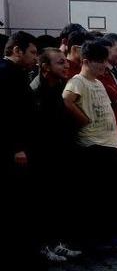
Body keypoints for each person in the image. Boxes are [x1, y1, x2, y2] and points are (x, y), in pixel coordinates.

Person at [62, 40, 117, 250]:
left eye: (104, 61)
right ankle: (97, 239)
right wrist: (83, 119)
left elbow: (107, 112)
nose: (103, 66)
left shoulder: (99, 82)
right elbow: (67, 100)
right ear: (86, 61)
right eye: (99, 62)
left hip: (108, 144)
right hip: (92, 146)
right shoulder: (78, 81)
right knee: (96, 197)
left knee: (109, 195)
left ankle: (108, 235)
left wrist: (116, 139)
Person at [30, 48, 83, 262]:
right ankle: (42, 246)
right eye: (60, 62)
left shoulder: (61, 87)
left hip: (62, 153)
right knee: (43, 203)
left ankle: (57, 244)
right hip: (42, 157)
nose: (66, 65)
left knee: (60, 202)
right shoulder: (34, 90)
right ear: (45, 67)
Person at [0, 32, 40, 264]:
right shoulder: (7, 74)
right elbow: (8, 115)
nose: (35, 58)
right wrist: (17, 147)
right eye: (32, 53)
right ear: (17, 50)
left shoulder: (16, 73)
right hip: (15, 150)